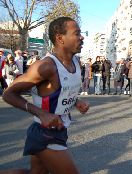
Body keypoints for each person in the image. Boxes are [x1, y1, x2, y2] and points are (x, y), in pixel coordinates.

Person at [1, 16, 89, 174]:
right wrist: (41, 113)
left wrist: (76, 101)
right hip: (44, 133)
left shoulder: (75, 62)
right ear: (60, 38)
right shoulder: (45, 67)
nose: (81, 37)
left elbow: (61, 90)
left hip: (60, 129)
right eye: (77, 33)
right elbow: (8, 94)